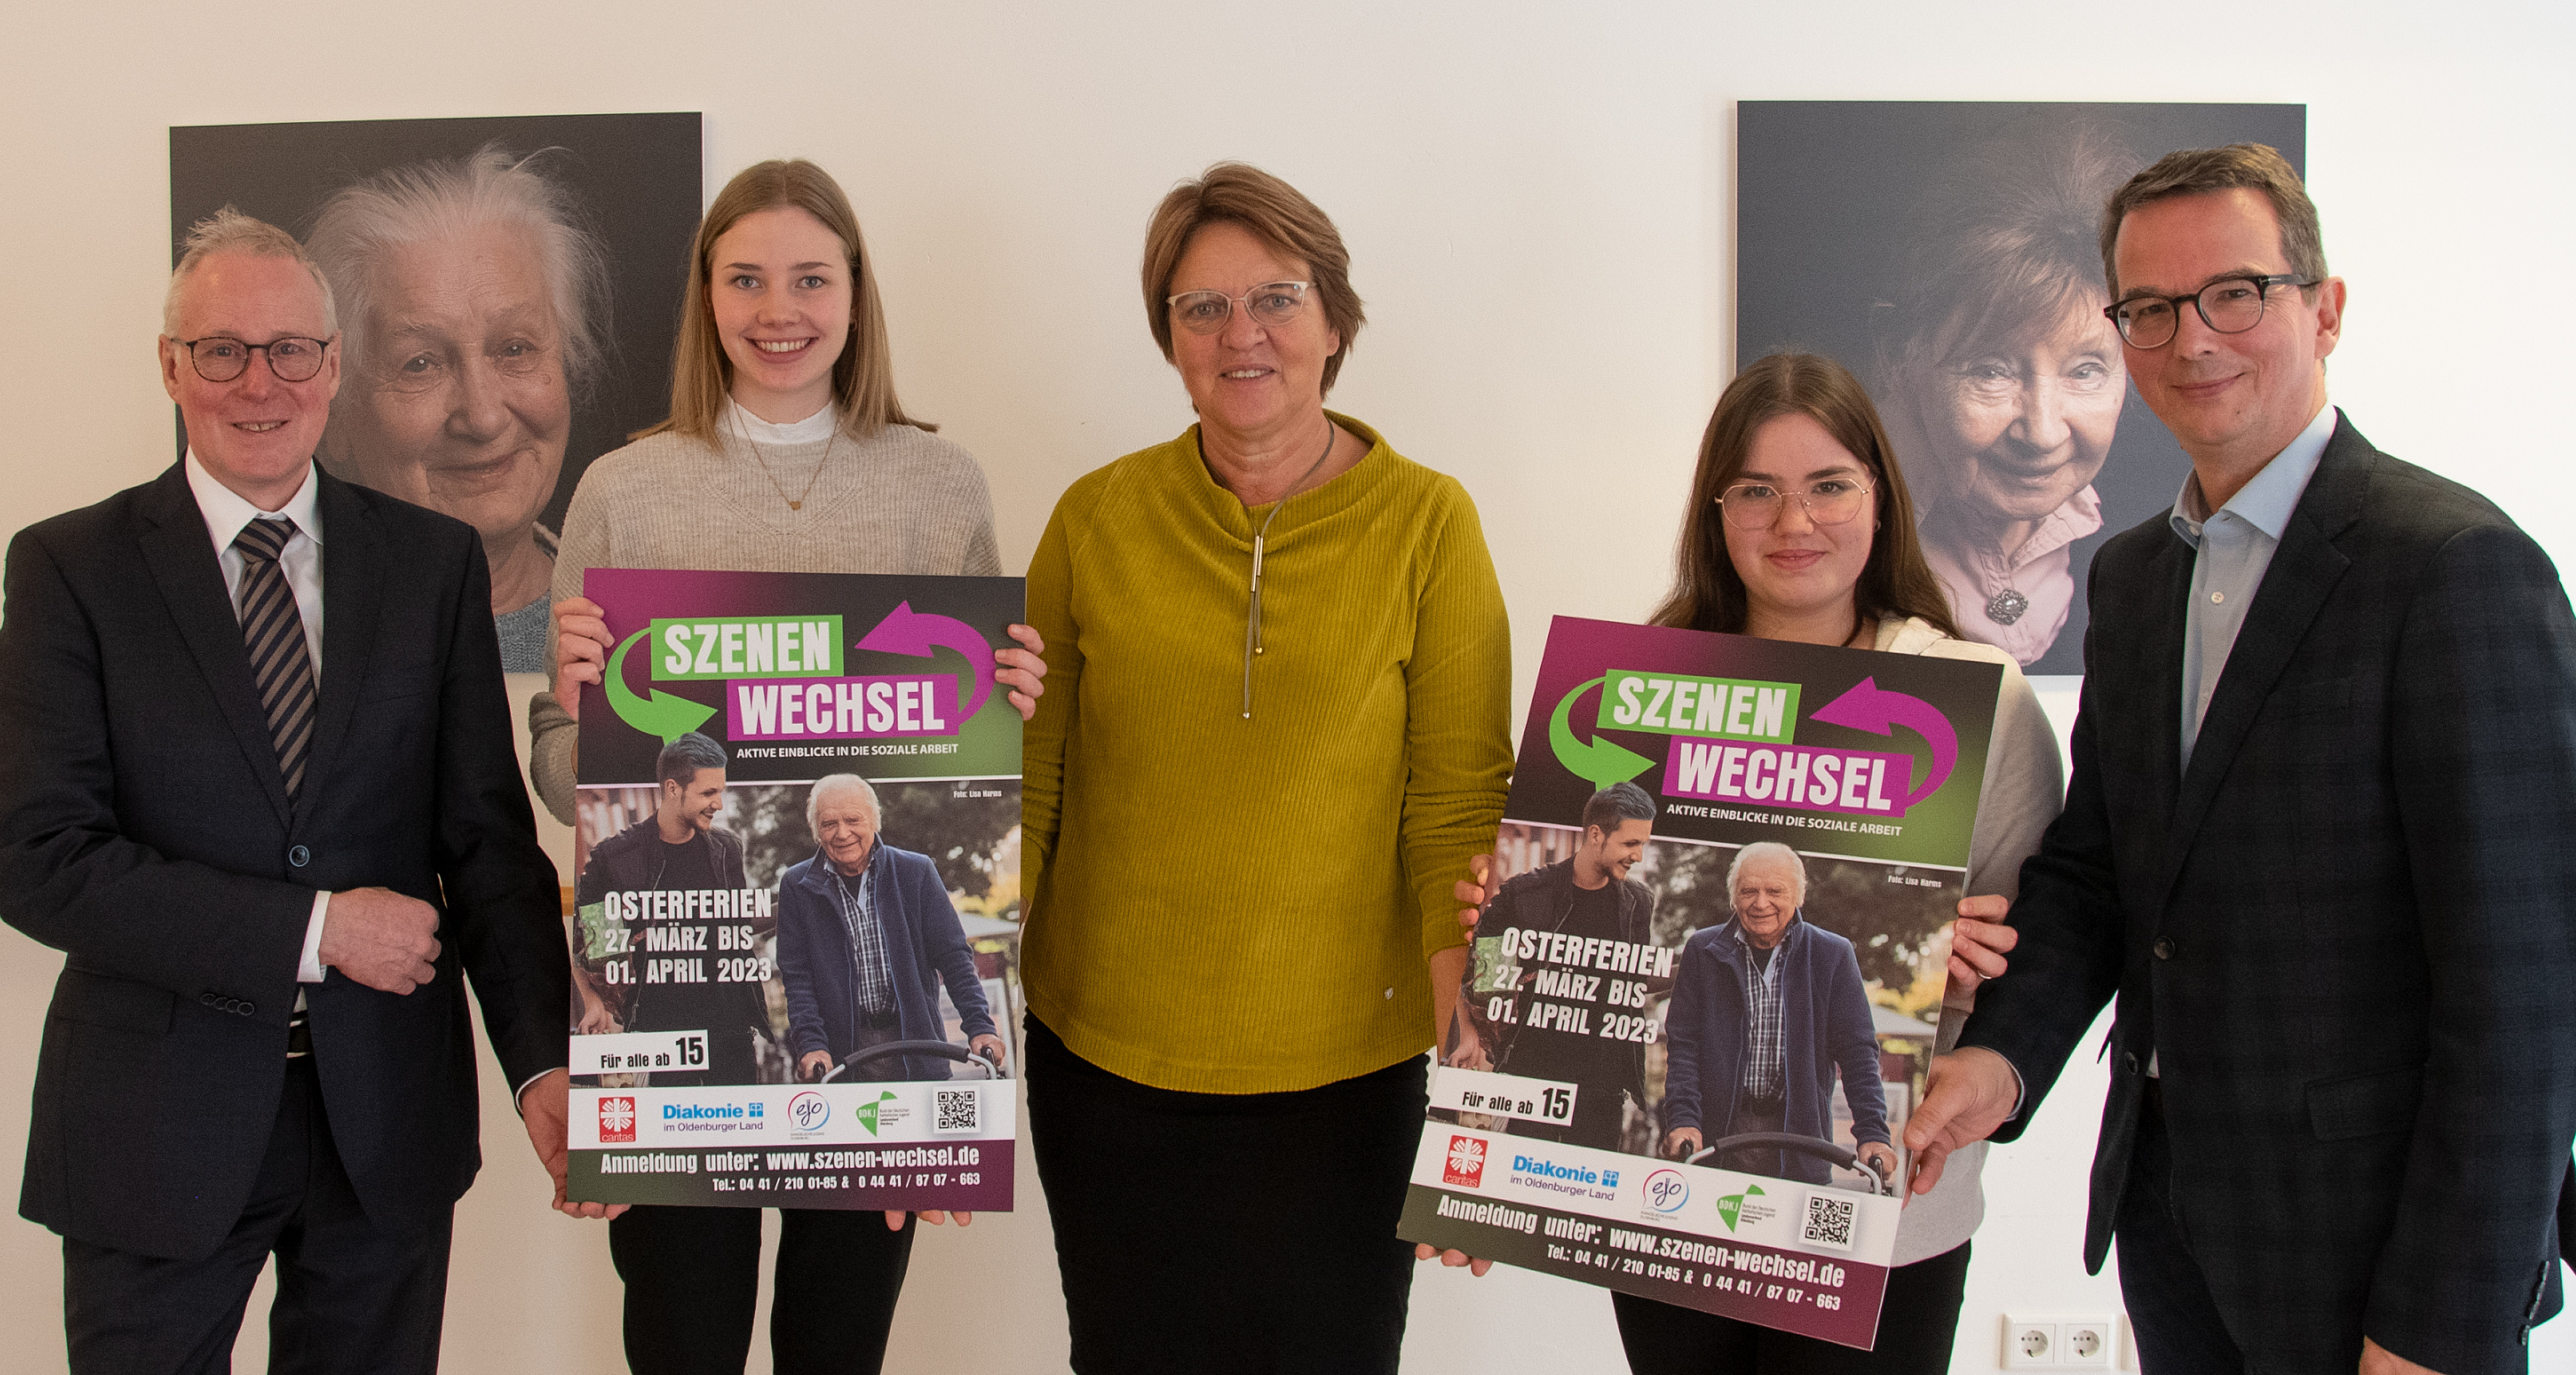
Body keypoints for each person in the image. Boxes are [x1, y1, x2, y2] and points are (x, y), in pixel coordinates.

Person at [1905, 141, 2576, 1375]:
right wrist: (1997, 1058)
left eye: (2234, 293)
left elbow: (2523, 1000)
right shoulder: (2136, 578)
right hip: (2175, 1225)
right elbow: (2101, 876)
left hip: (2382, 1260)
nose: (2192, 338)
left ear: (2325, 309)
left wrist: (2439, 1326)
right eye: (2151, 308)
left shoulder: (2454, 568)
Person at [0, 208, 578, 1373]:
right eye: (222, 350)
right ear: (171, 365)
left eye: (290, 349)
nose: (259, 382)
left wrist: (542, 1060)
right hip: (154, 1130)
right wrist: (317, 931)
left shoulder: (430, 564)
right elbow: (40, 858)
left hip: (385, 1124)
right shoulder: (69, 568)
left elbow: (486, 844)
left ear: (334, 363)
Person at [1437, 352, 2064, 1374]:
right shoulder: (1634, 693)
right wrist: (1509, 915)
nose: (1793, 522)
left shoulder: (1972, 698)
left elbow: (2045, 961)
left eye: (1829, 486)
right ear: (1716, 514)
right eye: (1756, 491)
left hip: (1880, 1223)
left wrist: (1960, 961)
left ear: (1880, 499)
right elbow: (1613, 947)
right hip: (1668, 1208)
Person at [535, 158, 1047, 1375]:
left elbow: (979, 765)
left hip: (876, 1065)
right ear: (705, 295)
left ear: (856, 294)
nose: (780, 310)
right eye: (747, 279)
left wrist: (1018, 706)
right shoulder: (621, 489)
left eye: (811, 279)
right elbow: (558, 771)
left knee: (839, 1345)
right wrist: (582, 721)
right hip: (679, 1020)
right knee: (682, 1341)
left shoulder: (941, 485)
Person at [1018, 161, 1511, 1373]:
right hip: (1106, 1063)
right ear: (1170, 338)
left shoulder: (1430, 523)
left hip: (1351, 1073)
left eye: (1277, 298)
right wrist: (938, 1034)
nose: (1242, 334)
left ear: (1334, 321)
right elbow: (1027, 791)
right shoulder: (1092, 519)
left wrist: (1479, 1074)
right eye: (1203, 307)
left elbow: (1457, 812)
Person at [308, 144, 611, 672]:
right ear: (336, 413)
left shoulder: (648, 636)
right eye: (420, 364)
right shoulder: (278, 640)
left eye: (515, 349)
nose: (484, 418)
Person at [1873, 127, 2134, 670]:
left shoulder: (2159, 540)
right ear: (1899, 357)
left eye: (2086, 370)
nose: (2042, 434)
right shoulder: (1840, 544)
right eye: (1991, 371)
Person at [1661, 842, 1892, 1187]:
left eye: (1775, 891)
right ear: (1733, 898)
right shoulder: (1702, 951)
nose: (1761, 903)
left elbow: (1858, 1053)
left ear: (1798, 896)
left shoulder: (1832, 954)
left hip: (1801, 1136)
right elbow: (1684, 1047)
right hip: (1719, 1134)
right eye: (1749, 891)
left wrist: (1873, 1134)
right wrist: (1684, 1120)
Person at [1449, 782, 1660, 1153]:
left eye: (1642, 844)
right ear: (1596, 834)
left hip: (1602, 1089)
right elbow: (1479, 976)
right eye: (1630, 843)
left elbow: (1631, 984)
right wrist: (1471, 1037)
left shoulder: (1638, 903)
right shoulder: (1524, 895)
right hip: (1530, 1077)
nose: (1638, 856)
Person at [775, 773, 1004, 1083]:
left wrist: (981, 1028)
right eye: (829, 824)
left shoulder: (916, 871)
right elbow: (798, 979)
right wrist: (812, 1044)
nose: (842, 833)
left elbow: (954, 959)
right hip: (842, 1054)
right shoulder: (797, 886)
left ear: (874, 820)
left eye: (853, 820)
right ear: (816, 831)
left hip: (917, 1042)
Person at [571, 733, 766, 1085]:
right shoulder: (614, 860)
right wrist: (594, 1003)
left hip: (731, 1036)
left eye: (720, 791)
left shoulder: (727, 849)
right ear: (673, 789)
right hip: (660, 1040)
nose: (719, 804)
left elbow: (738, 931)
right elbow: (589, 949)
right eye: (708, 793)